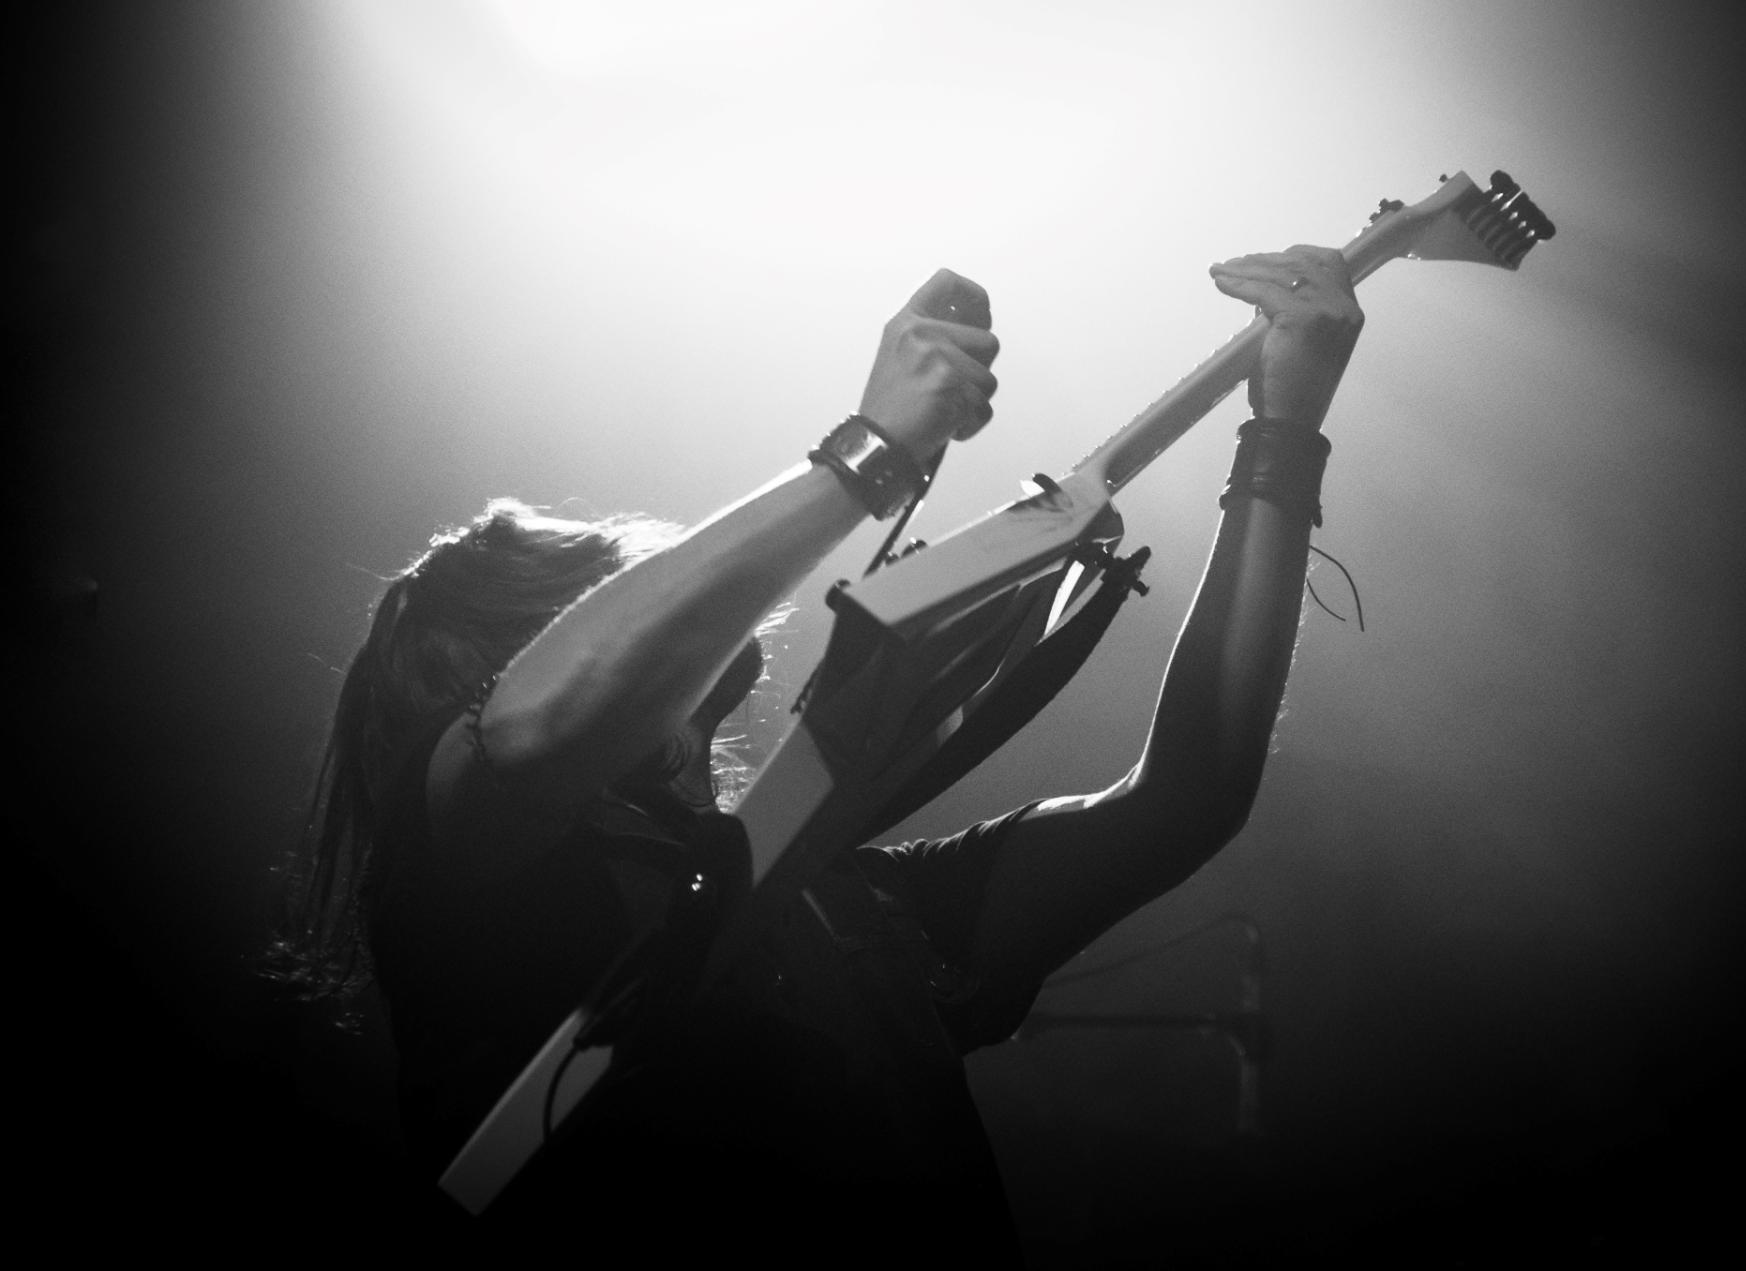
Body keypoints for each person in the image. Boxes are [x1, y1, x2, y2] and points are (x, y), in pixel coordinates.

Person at [278, 247, 1363, 1257]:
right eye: (611, 581)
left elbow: (1189, 794)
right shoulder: (461, 878)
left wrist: (1282, 438)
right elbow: (530, 728)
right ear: (513, 648)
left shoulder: (850, 908)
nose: (673, 579)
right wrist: (869, 452)